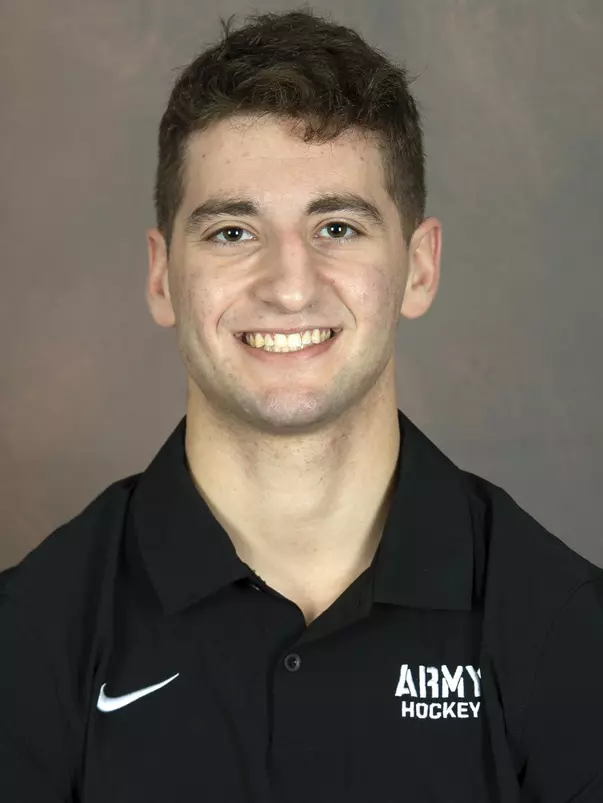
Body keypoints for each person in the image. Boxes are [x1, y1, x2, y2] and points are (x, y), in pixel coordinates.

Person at [1, 7, 602, 802]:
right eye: (230, 233)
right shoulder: (31, 639)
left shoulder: (565, 631)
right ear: (160, 277)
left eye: (338, 226)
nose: (288, 284)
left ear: (418, 268)